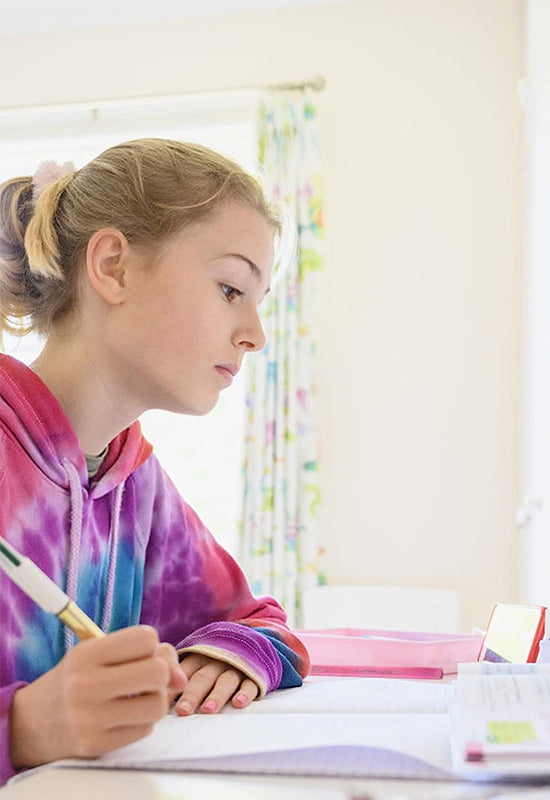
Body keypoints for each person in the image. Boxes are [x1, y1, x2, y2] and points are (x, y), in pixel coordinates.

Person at [0, 138, 310, 784]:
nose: (255, 334)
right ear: (112, 265)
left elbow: (256, 621)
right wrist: (26, 728)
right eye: (231, 289)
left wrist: (233, 654)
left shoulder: (134, 482)